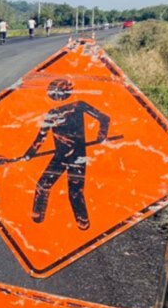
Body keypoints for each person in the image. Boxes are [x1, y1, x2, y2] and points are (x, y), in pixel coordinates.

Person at [22, 78, 111, 230]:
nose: (57, 96)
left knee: (75, 192)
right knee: (42, 185)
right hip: (60, 156)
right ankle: (37, 220)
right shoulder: (52, 113)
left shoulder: (79, 106)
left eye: (59, 92)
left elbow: (104, 118)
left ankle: (83, 223)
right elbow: (41, 137)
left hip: (77, 156)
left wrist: (101, 135)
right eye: (54, 93)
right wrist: (29, 154)